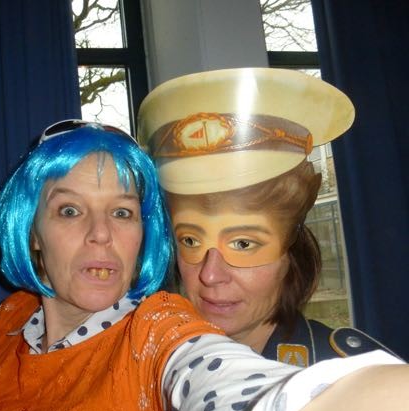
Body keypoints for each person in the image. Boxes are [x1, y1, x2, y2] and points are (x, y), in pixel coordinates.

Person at [0, 121, 406, 411]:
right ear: (32, 233)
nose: (101, 233)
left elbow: (236, 392)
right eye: (69, 210)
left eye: (122, 212)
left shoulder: (155, 330)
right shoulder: (7, 322)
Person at [137, 67, 397, 366]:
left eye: (243, 244)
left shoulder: (349, 377)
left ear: (291, 254)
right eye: (191, 240)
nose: (210, 275)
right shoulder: (149, 371)